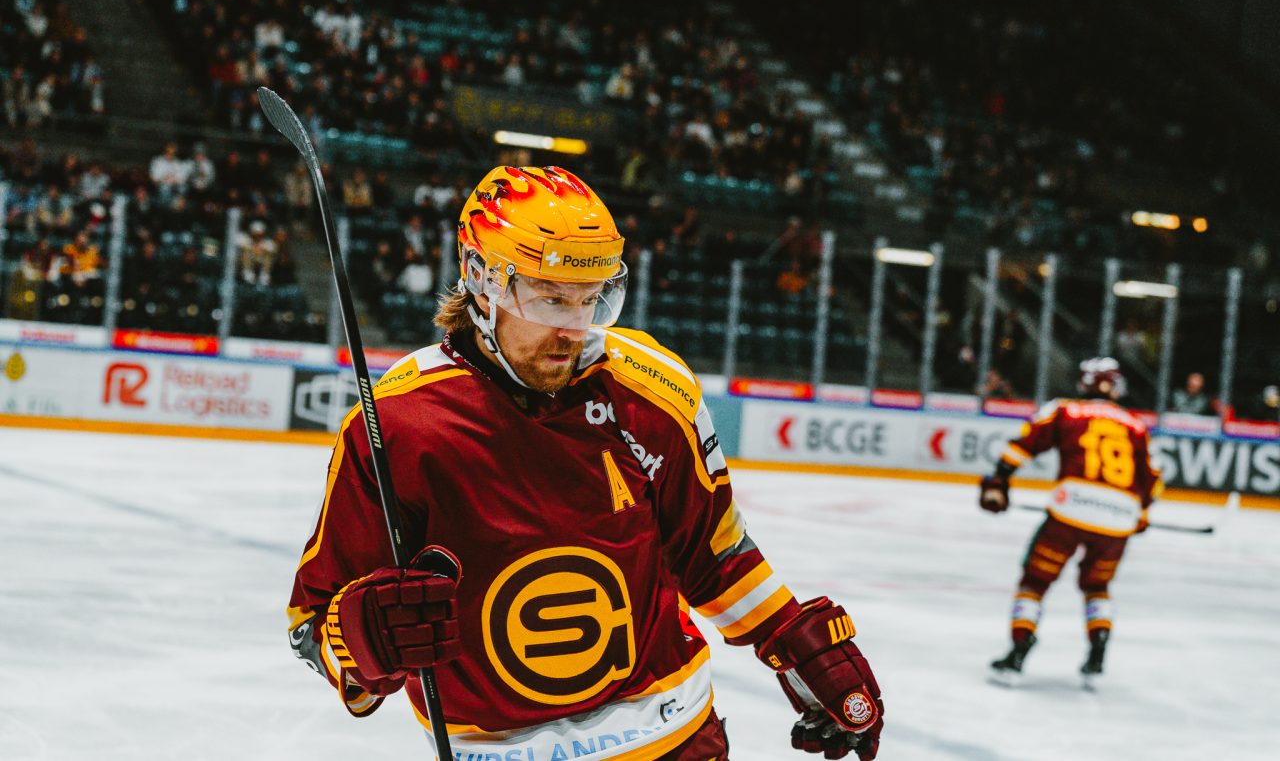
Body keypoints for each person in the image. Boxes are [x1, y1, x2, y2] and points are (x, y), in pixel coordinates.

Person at [286, 166, 884, 760]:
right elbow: (314, 624)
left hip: (672, 736)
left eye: (590, 299)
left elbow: (712, 553)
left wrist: (791, 638)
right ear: (479, 280)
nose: (574, 328)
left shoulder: (651, 388)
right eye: (549, 299)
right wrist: (357, 639)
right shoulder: (398, 425)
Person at [979, 357, 1163, 688]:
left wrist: (1000, 481)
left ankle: (1019, 650)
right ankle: (1097, 649)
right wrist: (1142, 514)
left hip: (1071, 510)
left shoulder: (1066, 410)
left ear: (1084, 384)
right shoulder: (1135, 425)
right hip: (1119, 518)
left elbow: (1022, 446)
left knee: (1034, 583)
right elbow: (1153, 479)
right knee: (1097, 586)